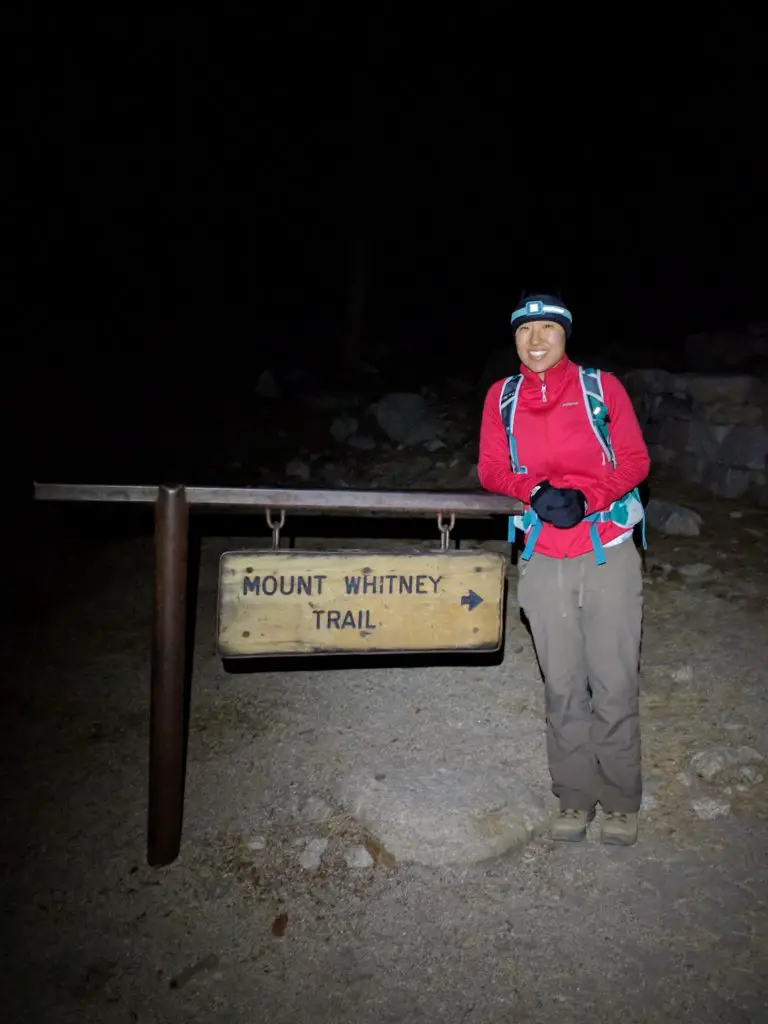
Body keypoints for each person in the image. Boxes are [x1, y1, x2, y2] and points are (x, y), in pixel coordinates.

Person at [477, 294, 651, 845]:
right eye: (525, 331)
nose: (536, 341)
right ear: (514, 341)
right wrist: (532, 489)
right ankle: (574, 798)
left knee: (615, 679)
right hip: (542, 557)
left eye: (548, 329)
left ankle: (622, 800)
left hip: (609, 551)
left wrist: (589, 497)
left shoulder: (602, 389)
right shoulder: (502, 398)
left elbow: (635, 460)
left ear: (566, 335)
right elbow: (489, 468)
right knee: (562, 684)